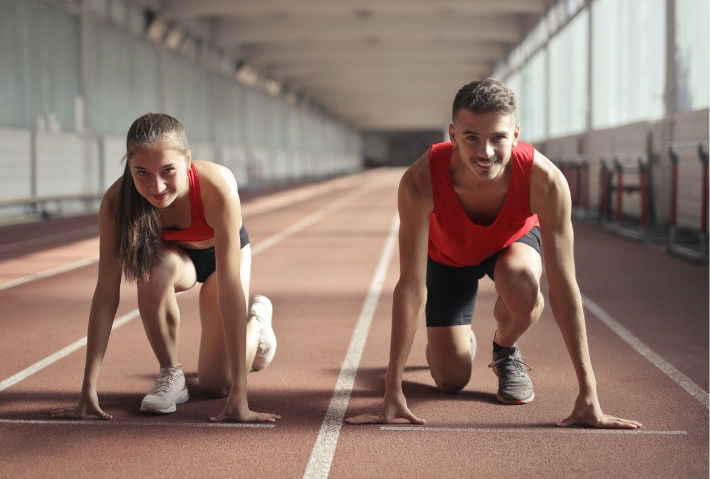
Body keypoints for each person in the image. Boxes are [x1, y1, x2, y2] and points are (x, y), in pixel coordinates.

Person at [346, 79, 641, 429]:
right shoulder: (420, 180)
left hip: (509, 246)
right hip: (447, 257)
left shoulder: (545, 181)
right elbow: (410, 286)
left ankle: (504, 348)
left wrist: (588, 393)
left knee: (523, 286)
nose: (485, 152)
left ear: (515, 134)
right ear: (453, 135)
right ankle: (455, 342)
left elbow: (563, 287)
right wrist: (391, 390)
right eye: (472, 137)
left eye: (497, 137)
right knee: (450, 380)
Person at [51, 113, 279, 423]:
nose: (156, 186)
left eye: (167, 171)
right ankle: (172, 375)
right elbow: (106, 294)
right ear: (129, 166)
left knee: (217, 385)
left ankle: (258, 322)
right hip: (175, 260)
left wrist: (241, 395)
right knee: (152, 269)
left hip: (222, 258)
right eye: (141, 172)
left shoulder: (217, 186)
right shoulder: (116, 202)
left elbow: (229, 292)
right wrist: (88, 388)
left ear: (187, 160)